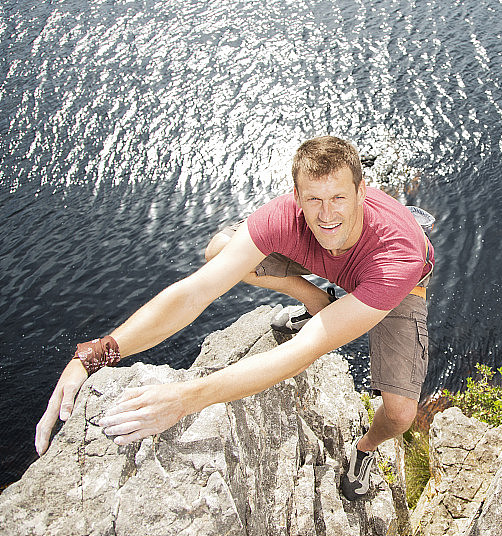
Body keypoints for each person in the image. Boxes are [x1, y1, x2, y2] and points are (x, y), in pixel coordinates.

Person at [34, 136, 434, 501]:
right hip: (329, 260)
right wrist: (95, 355)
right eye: (313, 199)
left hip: (391, 281)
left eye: (339, 198)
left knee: (400, 413)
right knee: (220, 251)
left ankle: (363, 450)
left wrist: (185, 399)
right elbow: (195, 291)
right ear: (295, 196)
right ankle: (314, 296)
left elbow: (304, 351)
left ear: (362, 192)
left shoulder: (397, 258)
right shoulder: (286, 218)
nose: (327, 213)